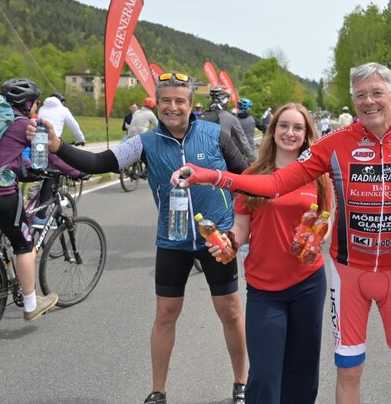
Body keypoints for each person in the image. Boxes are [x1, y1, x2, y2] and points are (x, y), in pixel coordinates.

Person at [173, 62, 391, 404]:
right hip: (348, 273)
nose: (369, 101)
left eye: (377, 93)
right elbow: (275, 184)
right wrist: (211, 176)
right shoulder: (335, 145)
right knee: (349, 371)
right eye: (361, 95)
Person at [27, 72, 249, 404]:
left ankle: (241, 382)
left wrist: (238, 230)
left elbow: (245, 179)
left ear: (191, 105)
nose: (173, 107)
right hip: (171, 241)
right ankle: (157, 391)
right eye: (166, 101)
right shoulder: (145, 142)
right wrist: (59, 147)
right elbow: (101, 161)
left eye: (180, 101)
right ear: (157, 104)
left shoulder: (216, 135)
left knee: (230, 311)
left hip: (216, 240)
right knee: (165, 315)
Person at [213, 103, 332, 403]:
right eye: (283, 126)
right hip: (265, 288)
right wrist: (227, 242)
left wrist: (316, 237)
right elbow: (241, 229)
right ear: (273, 130)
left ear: (307, 135)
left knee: (303, 371)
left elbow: (326, 222)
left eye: (297, 128)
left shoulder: (318, 176)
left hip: (308, 283)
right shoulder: (253, 176)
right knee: (265, 374)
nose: (289, 133)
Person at [0, 78, 81, 323]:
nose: (38, 107)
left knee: (3, 225)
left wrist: (24, 167)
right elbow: (52, 158)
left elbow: (3, 157)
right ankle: (32, 304)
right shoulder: (25, 124)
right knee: (24, 245)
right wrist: (76, 171)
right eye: (36, 103)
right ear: (28, 103)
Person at [199, 86, 254, 160]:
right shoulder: (231, 118)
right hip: (222, 160)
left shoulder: (202, 116)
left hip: (203, 158)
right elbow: (243, 140)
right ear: (225, 100)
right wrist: (250, 155)